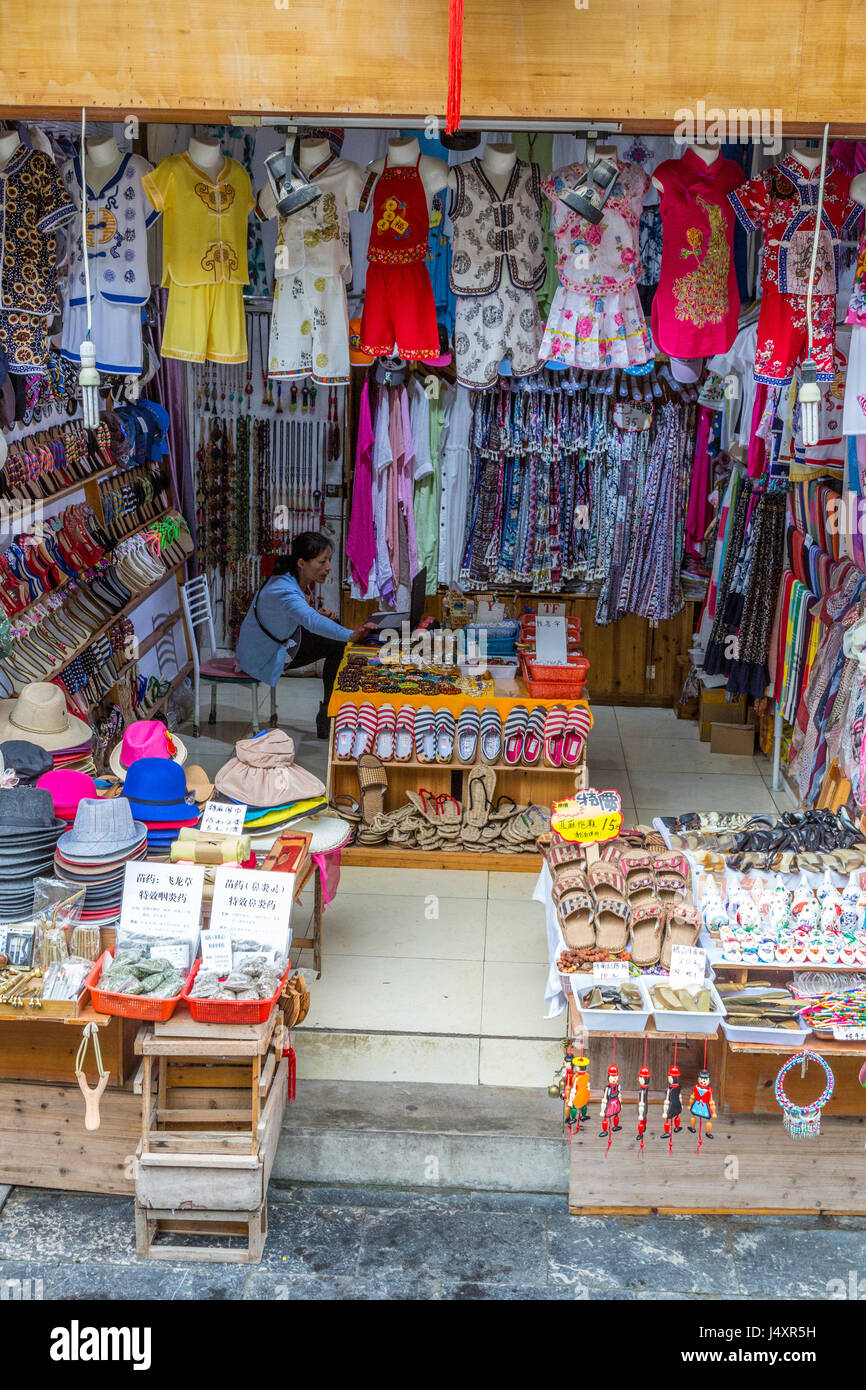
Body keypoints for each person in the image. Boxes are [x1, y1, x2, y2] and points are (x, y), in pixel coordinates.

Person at [236, 532, 376, 738]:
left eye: (328, 560)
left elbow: (301, 615)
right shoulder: (284, 589)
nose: (328, 567)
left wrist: (324, 618)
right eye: (322, 561)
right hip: (262, 654)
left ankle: (330, 710)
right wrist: (350, 635)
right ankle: (329, 713)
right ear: (302, 563)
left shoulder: (290, 578)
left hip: (277, 640)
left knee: (333, 631)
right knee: (337, 643)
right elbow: (310, 620)